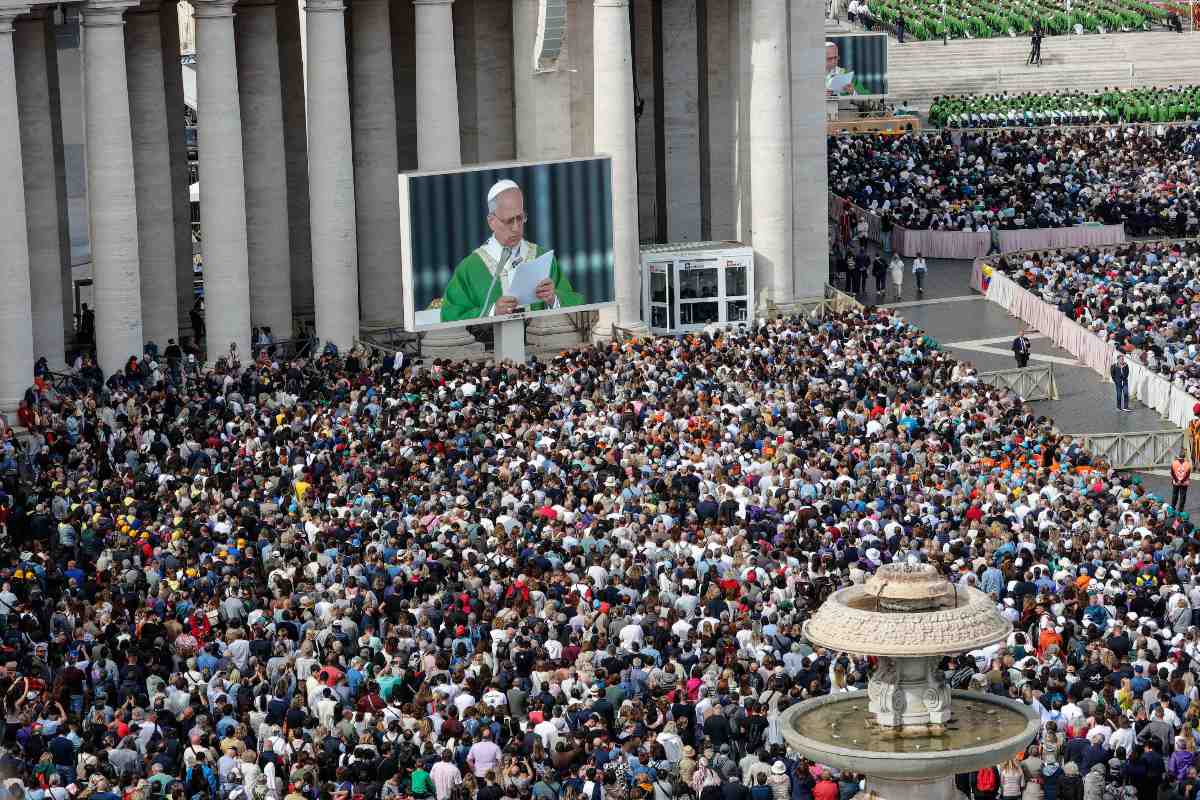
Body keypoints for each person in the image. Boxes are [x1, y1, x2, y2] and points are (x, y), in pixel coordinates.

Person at [438, 179, 583, 322]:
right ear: (491, 221)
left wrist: (553, 299)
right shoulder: (470, 268)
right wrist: (493, 311)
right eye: (509, 221)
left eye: (520, 218)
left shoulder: (542, 258)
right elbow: (451, 316)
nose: (516, 228)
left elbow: (576, 306)